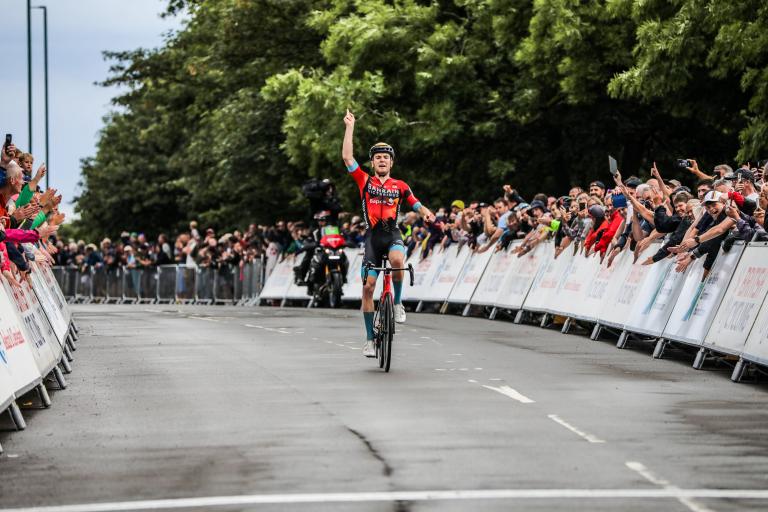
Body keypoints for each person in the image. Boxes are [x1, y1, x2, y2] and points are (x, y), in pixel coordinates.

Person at [342, 109, 435, 357]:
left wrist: (426, 212)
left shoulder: (400, 185)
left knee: (397, 260)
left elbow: (415, 203)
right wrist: (350, 127)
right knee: (368, 288)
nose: (382, 160)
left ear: (391, 163)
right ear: (372, 163)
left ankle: (397, 303)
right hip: (373, 237)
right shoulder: (365, 181)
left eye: (386, 157)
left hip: (392, 233)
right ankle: (370, 340)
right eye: (378, 157)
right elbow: (347, 157)